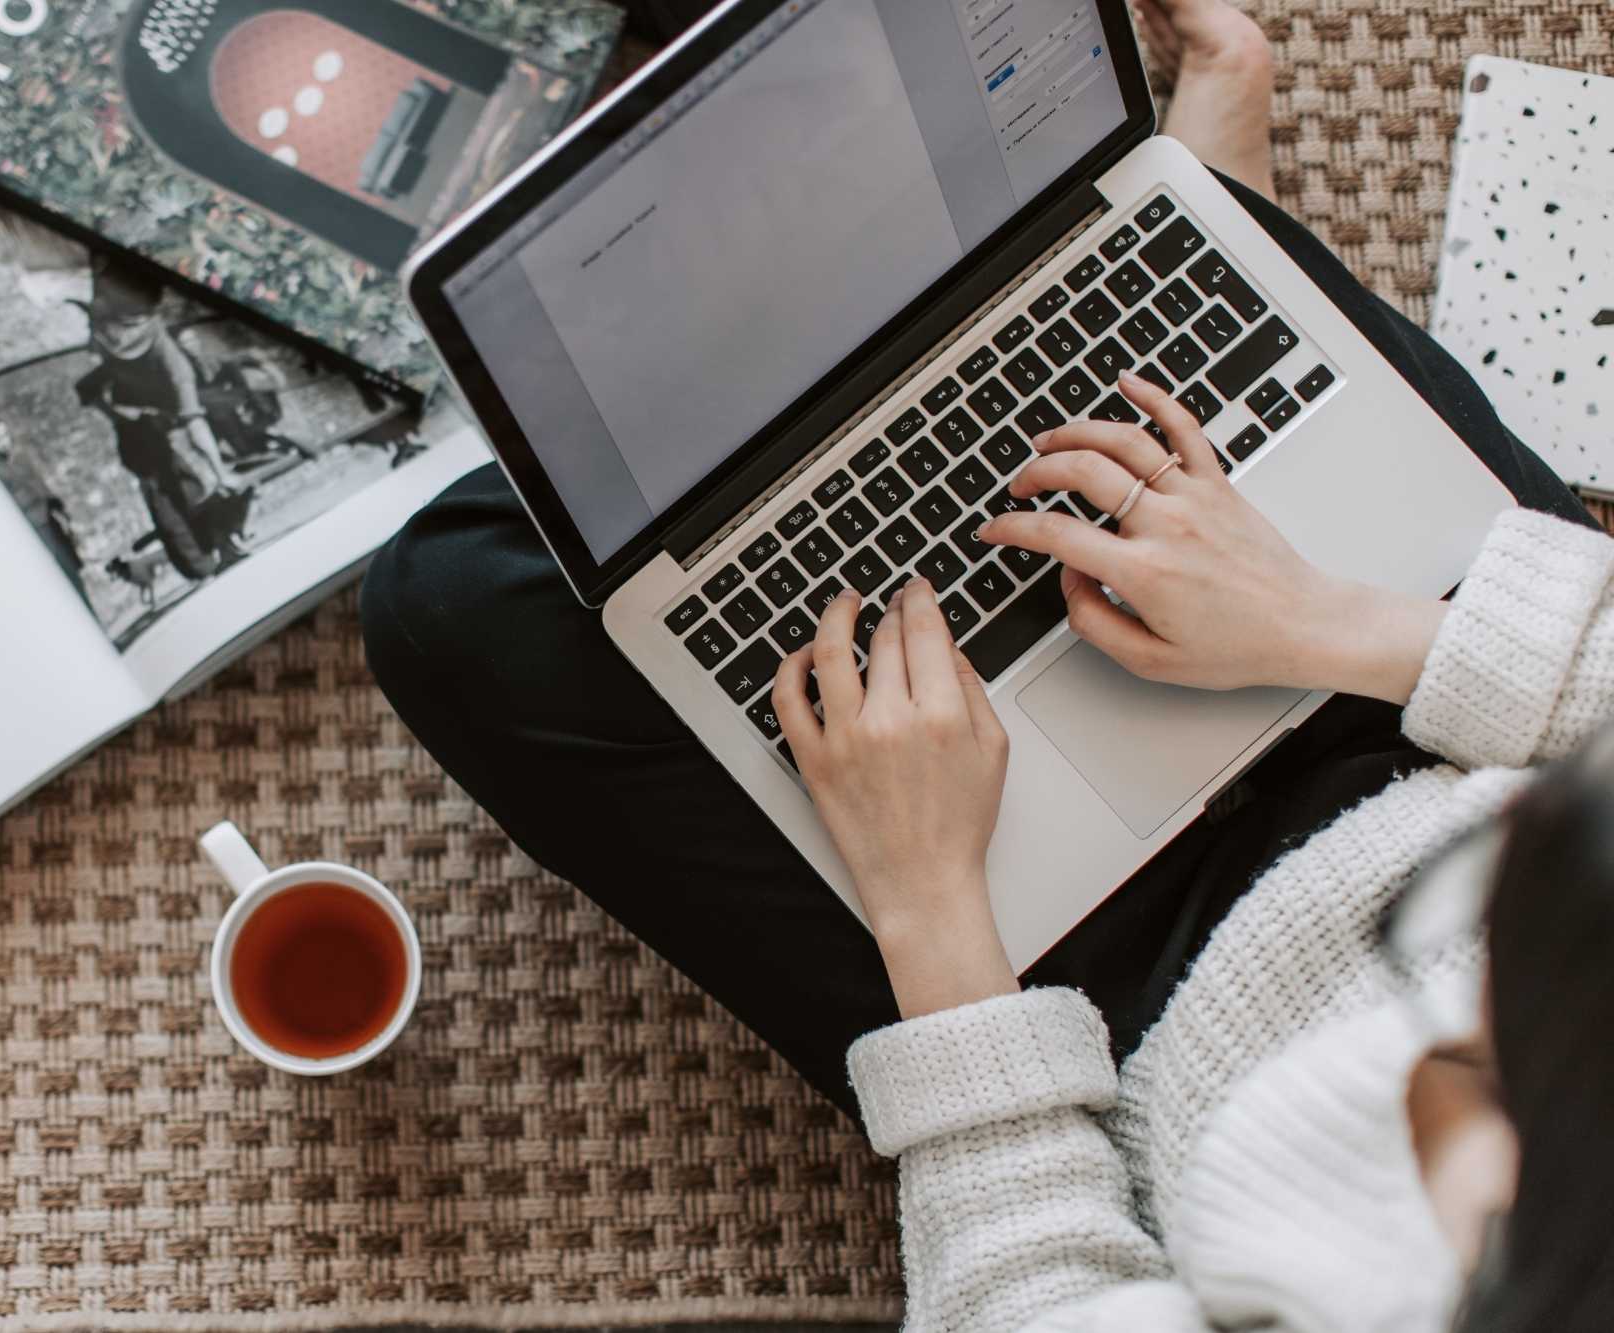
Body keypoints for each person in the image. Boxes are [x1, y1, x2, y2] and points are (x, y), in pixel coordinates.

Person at [358, 0, 1614, 1326]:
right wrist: (1315, 616)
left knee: (453, 599)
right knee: (1200, 270)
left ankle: (1155, 238)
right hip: (1440, 721)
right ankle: (1166, 233)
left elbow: (1026, 1298)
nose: (1425, 1046)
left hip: (1102, 1013)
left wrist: (930, 908)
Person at [72, 263, 252, 581]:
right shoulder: (110, 320)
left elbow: (194, 422)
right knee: (169, 498)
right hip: (141, 433)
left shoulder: (173, 364)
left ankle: (217, 548)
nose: (120, 337)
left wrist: (220, 472)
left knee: (188, 490)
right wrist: (122, 416)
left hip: (162, 431)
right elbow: (88, 383)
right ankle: (204, 560)